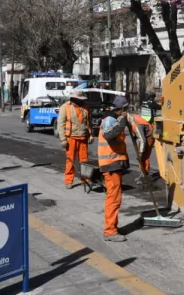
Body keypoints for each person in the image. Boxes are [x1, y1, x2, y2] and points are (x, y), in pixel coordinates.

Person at [98, 96, 130, 242]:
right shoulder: (110, 120)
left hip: (114, 163)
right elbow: (109, 134)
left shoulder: (113, 119)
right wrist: (122, 121)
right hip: (110, 164)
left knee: (114, 197)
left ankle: (112, 227)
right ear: (122, 109)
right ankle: (110, 231)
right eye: (126, 109)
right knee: (114, 199)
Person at [57, 90, 93, 189]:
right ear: (74, 98)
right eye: (79, 99)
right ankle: (69, 180)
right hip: (71, 138)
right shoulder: (65, 107)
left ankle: (85, 179)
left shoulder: (85, 107)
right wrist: (63, 139)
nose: (81, 101)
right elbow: (61, 124)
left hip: (83, 138)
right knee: (70, 160)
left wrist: (90, 134)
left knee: (85, 161)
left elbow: (88, 122)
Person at [128, 112, 155, 185]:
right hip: (144, 136)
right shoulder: (131, 117)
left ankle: (145, 176)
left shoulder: (136, 124)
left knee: (144, 157)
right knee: (141, 157)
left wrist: (140, 153)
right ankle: (142, 174)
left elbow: (143, 140)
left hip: (149, 137)